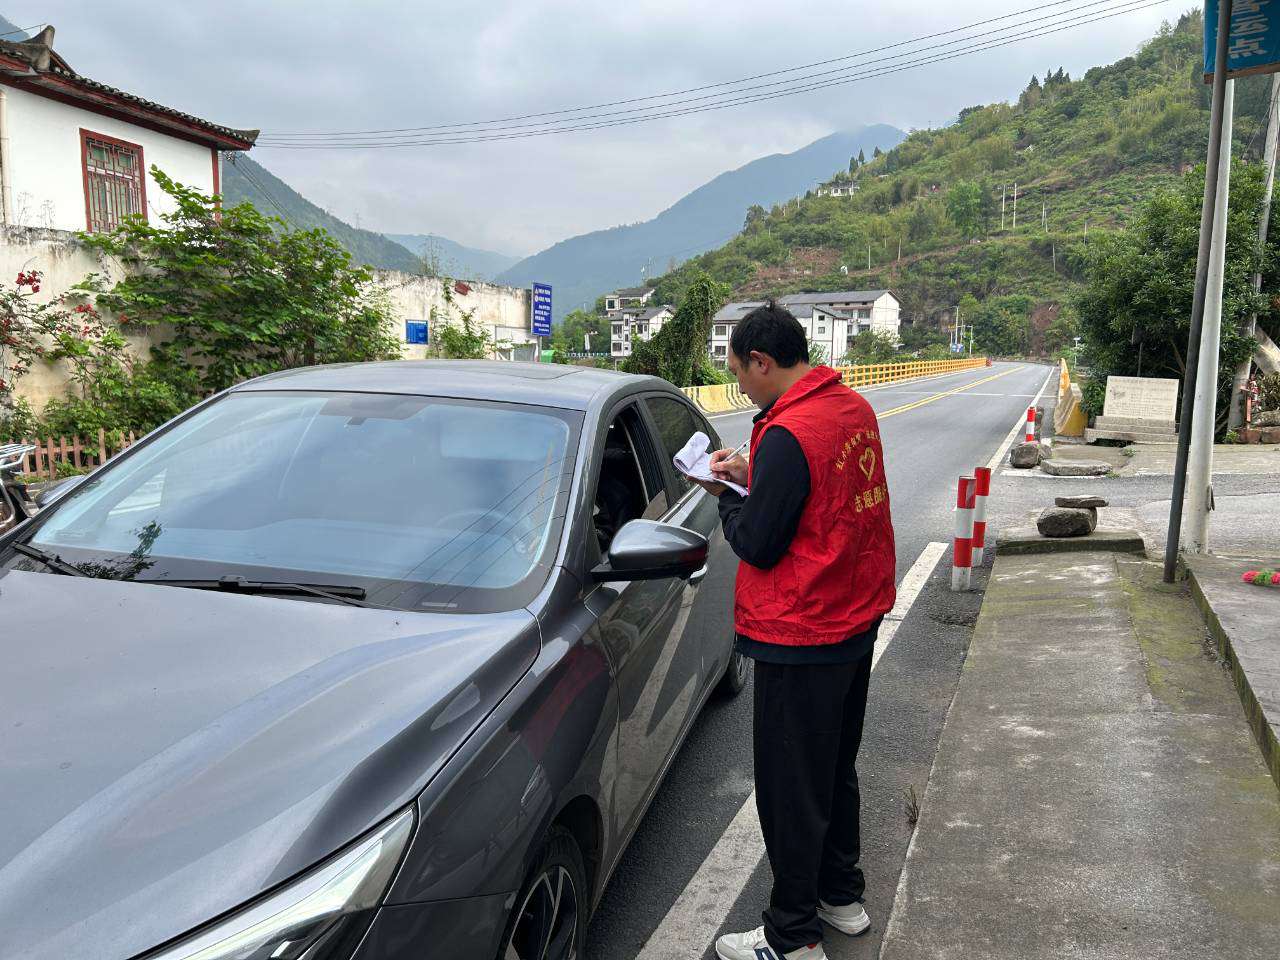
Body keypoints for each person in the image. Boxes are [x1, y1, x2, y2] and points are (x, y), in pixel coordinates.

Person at [689, 302, 896, 960]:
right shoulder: (850, 408)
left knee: (789, 790)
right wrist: (753, 476)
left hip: (802, 631)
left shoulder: (787, 431)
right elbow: (822, 491)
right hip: (854, 620)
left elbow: (758, 541)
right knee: (833, 769)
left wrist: (724, 497)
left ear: (761, 361)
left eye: (738, 373)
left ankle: (792, 936)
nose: (740, 387)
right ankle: (842, 899)